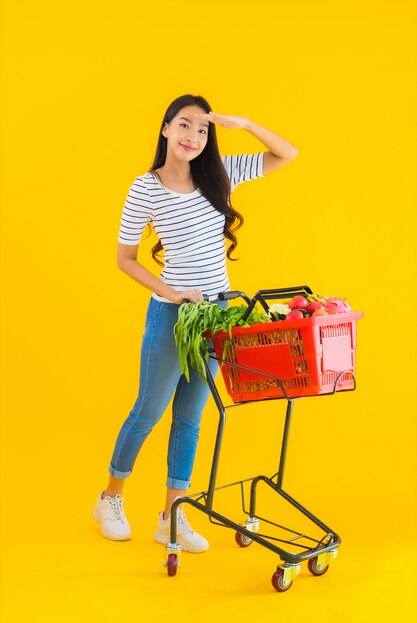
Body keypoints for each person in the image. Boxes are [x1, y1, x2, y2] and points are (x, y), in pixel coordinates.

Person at [93, 94, 299, 552]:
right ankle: (110, 497)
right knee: (149, 411)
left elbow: (287, 154)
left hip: (218, 315)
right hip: (172, 315)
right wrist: (171, 293)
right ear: (166, 129)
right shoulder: (144, 187)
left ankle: (172, 516)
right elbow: (125, 259)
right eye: (184, 126)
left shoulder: (220, 174)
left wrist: (244, 121)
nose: (193, 137)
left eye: (202, 130)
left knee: (191, 418)